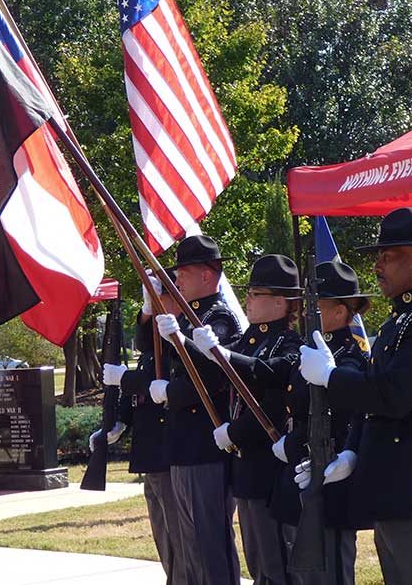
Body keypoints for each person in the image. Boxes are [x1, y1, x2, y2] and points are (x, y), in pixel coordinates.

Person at [299, 207, 412, 585]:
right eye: (379, 257)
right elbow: (373, 397)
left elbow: (394, 395)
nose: (378, 266)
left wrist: (332, 377)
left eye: (388, 256)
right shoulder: (400, 320)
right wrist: (353, 450)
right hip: (395, 478)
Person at [191, 258, 373, 585]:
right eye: (307, 305)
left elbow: (340, 418)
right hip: (295, 479)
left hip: (329, 479)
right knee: (288, 570)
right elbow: (277, 376)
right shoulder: (307, 350)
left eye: (318, 305)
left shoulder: (346, 358)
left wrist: (289, 442)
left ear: (340, 312)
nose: (306, 312)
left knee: (326, 572)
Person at [186, 254, 304, 585]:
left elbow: (271, 395)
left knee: (277, 560)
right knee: (257, 560)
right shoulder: (253, 340)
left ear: (280, 302)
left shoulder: (289, 344)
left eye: (256, 294)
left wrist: (235, 432)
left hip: (270, 467)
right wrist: (180, 341)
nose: (248, 301)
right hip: (246, 467)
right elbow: (216, 366)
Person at [153, 234, 243, 585]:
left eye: (184, 274)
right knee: (190, 545)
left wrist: (180, 345)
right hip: (185, 446)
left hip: (207, 446)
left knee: (209, 544)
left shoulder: (219, 318)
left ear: (207, 275)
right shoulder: (192, 317)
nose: (177, 282)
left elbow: (211, 374)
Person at [91, 269, 190, 585]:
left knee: (180, 540)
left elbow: (155, 383)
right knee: (164, 536)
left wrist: (125, 378)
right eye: (153, 299)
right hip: (151, 453)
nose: (156, 305)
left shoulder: (180, 337)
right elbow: (139, 384)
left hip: (169, 452)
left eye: (161, 297)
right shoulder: (154, 346)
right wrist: (119, 420)